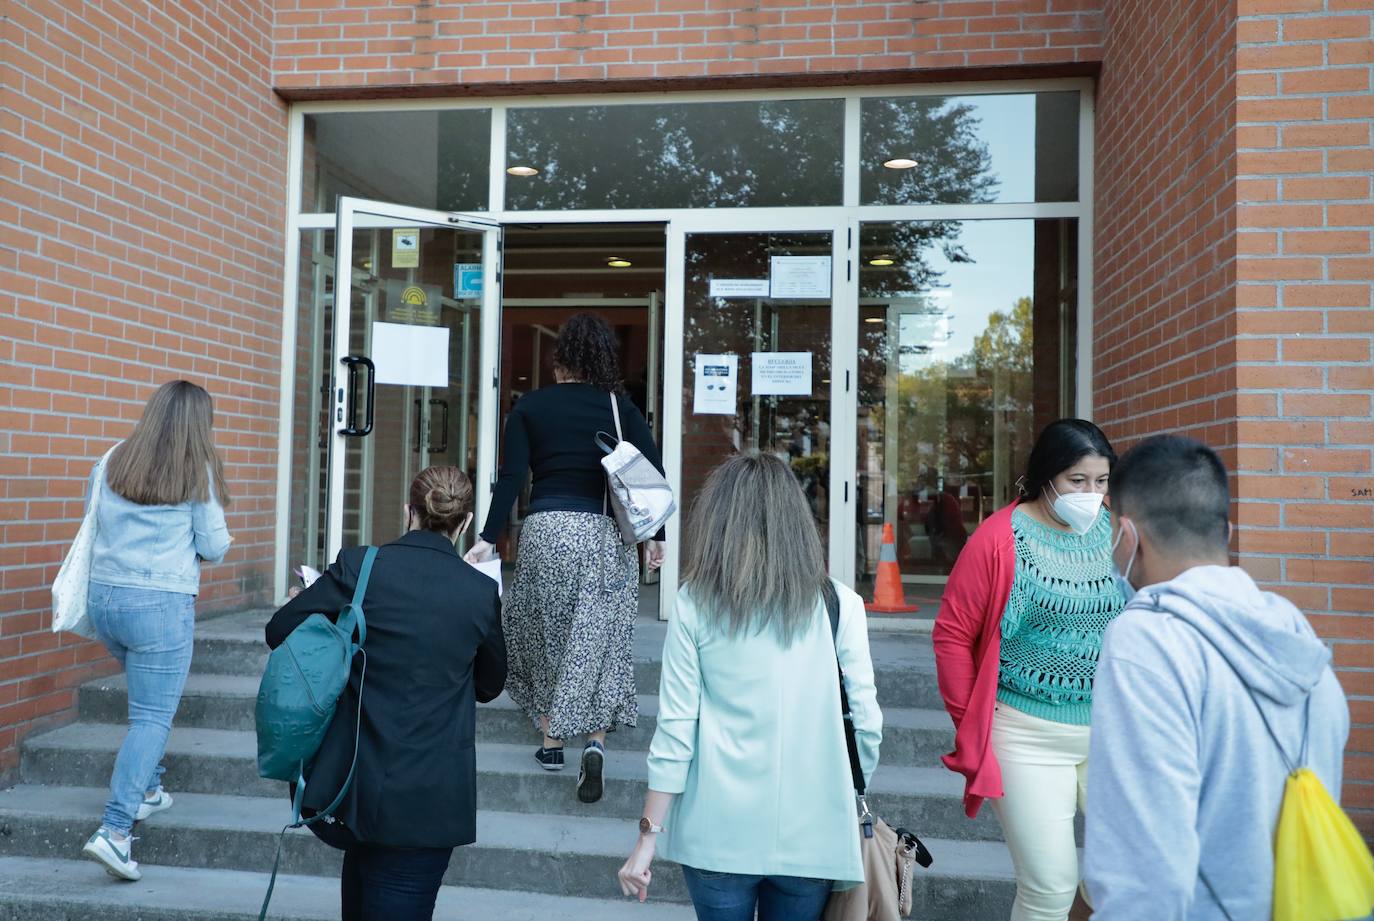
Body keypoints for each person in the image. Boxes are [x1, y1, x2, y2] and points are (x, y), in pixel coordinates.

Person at [1084, 436, 1349, 919]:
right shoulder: (1293, 631)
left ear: (1126, 535)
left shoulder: (1147, 640)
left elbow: (1145, 872)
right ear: (1225, 531)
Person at [617, 453, 882, 920]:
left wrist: (646, 837)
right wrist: (837, 791)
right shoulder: (841, 604)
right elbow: (866, 725)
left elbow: (676, 730)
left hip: (716, 831)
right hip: (813, 831)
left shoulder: (695, 603)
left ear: (718, 522)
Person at [265, 466, 506, 921]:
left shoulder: (360, 566)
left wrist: (320, 617)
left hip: (355, 785)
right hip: (429, 798)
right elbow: (491, 684)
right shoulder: (479, 591)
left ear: (409, 510)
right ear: (465, 523)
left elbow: (279, 630)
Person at [463, 313, 665, 804]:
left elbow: (511, 477)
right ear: (604, 360)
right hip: (602, 535)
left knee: (542, 634)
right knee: (601, 639)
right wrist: (655, 537)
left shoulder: (531, 406)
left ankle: (552, 741)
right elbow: (650, 477)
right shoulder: (620, 408)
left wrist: (488, 537)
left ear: (560, 361)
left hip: (546, 531)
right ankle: (594, 742)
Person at [931, 419, 1123, 921]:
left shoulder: (1116, 531)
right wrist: (971, 726)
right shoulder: (999, 539)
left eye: (1101, 481)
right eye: (1077, 481)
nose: (1091, 494)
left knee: (1133, 867)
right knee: (1049, 889)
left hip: (1112, 732)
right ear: (1046, 476)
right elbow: (952, 636)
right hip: (1025, 735)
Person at [79, 380, 232, 881]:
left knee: (147, 703)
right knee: (151, 717)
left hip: (105, 600)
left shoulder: (112, 459)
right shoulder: (197, 469)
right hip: (159, 606)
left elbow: (93, 520)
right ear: (199, 423)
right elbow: (213, 546)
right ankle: (115, 830)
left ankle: (148, 787)